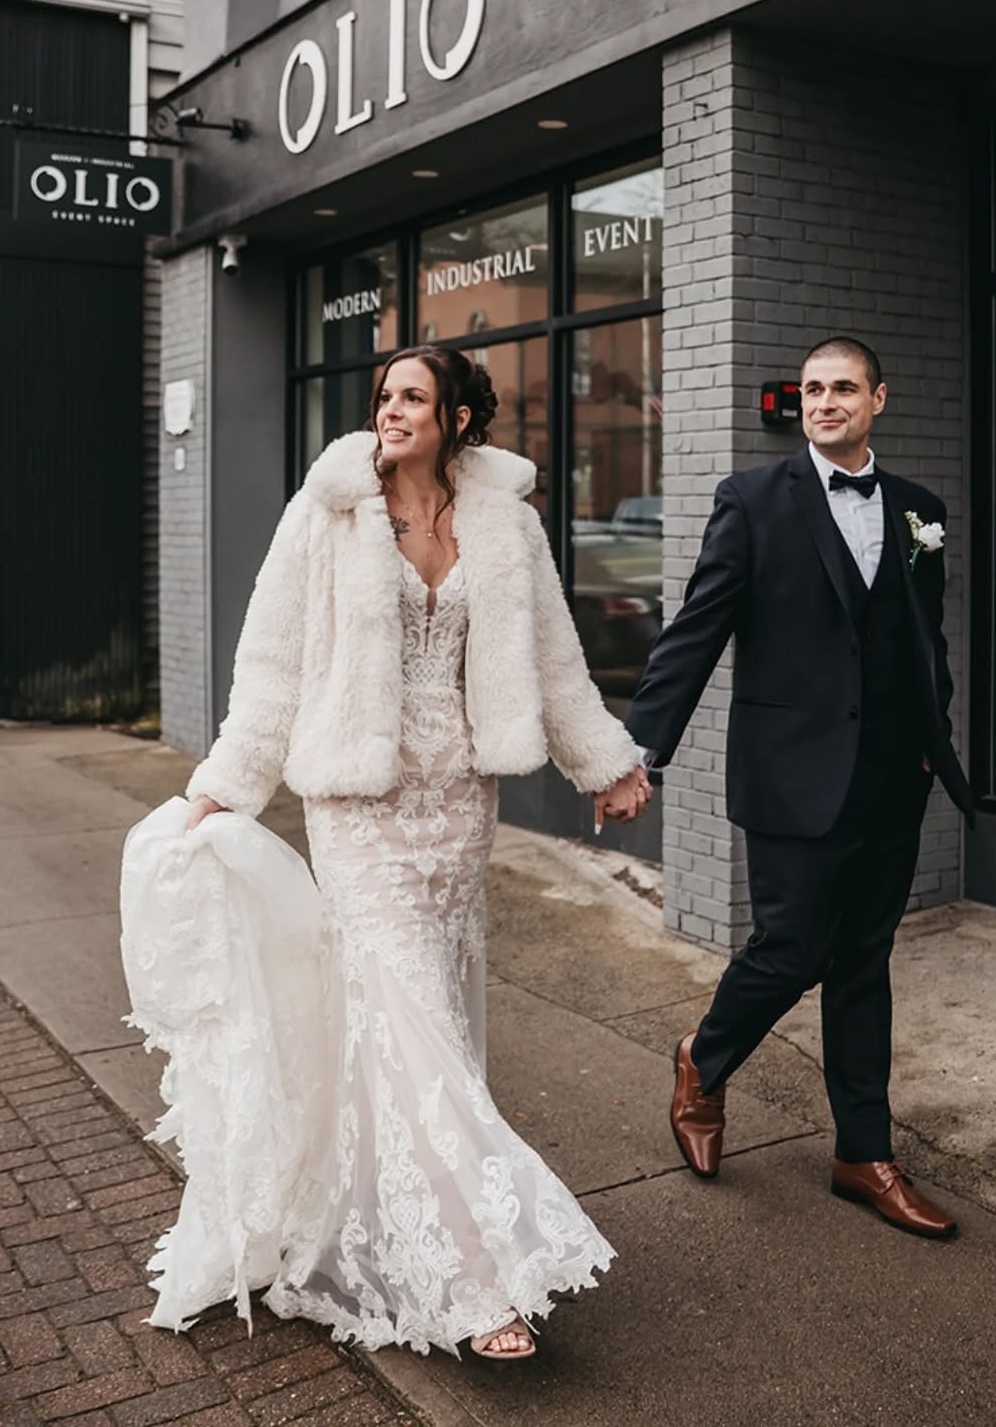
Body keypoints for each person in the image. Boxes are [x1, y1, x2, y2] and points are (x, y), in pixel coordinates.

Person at [181, 345, 651, 1359]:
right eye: (384, 395)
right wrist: (225, 784)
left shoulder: (505, 523)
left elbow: (553, 660)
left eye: (412, 396)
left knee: (422, 1025)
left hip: (458, 808)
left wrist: (604, 762)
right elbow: (269, 666)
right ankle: (481, 1279)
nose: (390, 411)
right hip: (359, 808)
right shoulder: (328, 512)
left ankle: (390, 1216)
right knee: (412, 1018)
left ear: (458, 418)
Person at [624, 336, 978, 1237]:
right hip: (792, 774)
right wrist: (640, 751)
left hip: (894, 778)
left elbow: (922, 638)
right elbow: (694, 632)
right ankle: (703, 1058)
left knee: (864, 962)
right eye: (814, 389)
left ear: (878, 399)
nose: (825, 402)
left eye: (844, 388)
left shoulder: (918, 511)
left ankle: (864, 1152)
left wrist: (933, 737)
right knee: (793, 947)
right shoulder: (751, 501)